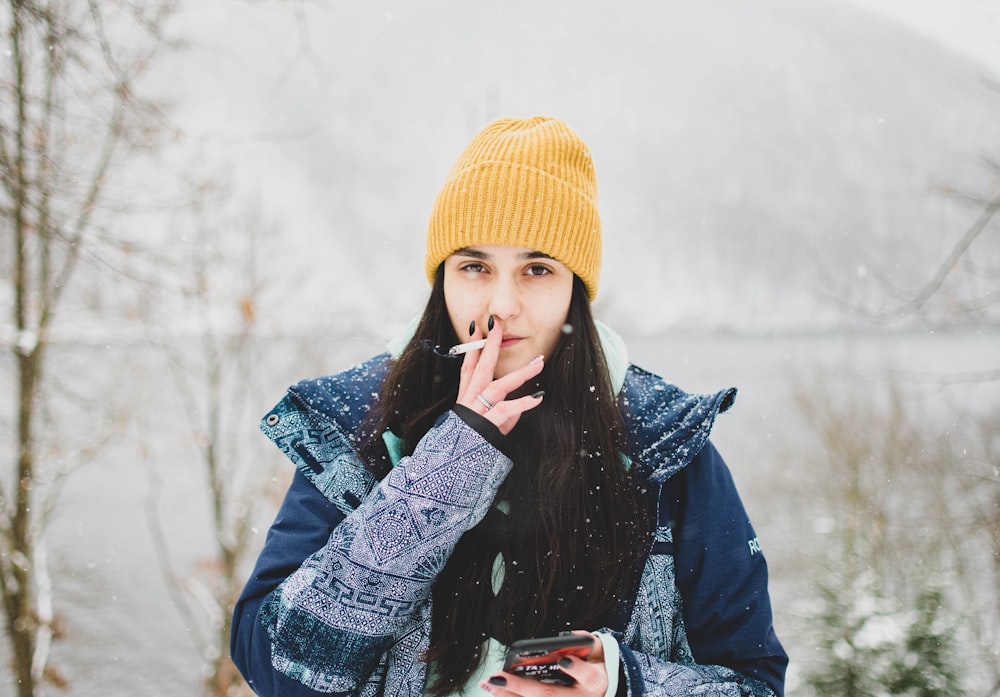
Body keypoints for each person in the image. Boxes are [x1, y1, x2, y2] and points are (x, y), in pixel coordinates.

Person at [230, 116, 788, 697]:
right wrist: (446, 471)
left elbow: (754, 683)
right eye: (475, 267)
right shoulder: (359, 428)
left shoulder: (664, 448)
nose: (502, 305)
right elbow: (276, 667)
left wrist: (624, 684)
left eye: (537, 269)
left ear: (576, 285)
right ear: (442, 277)